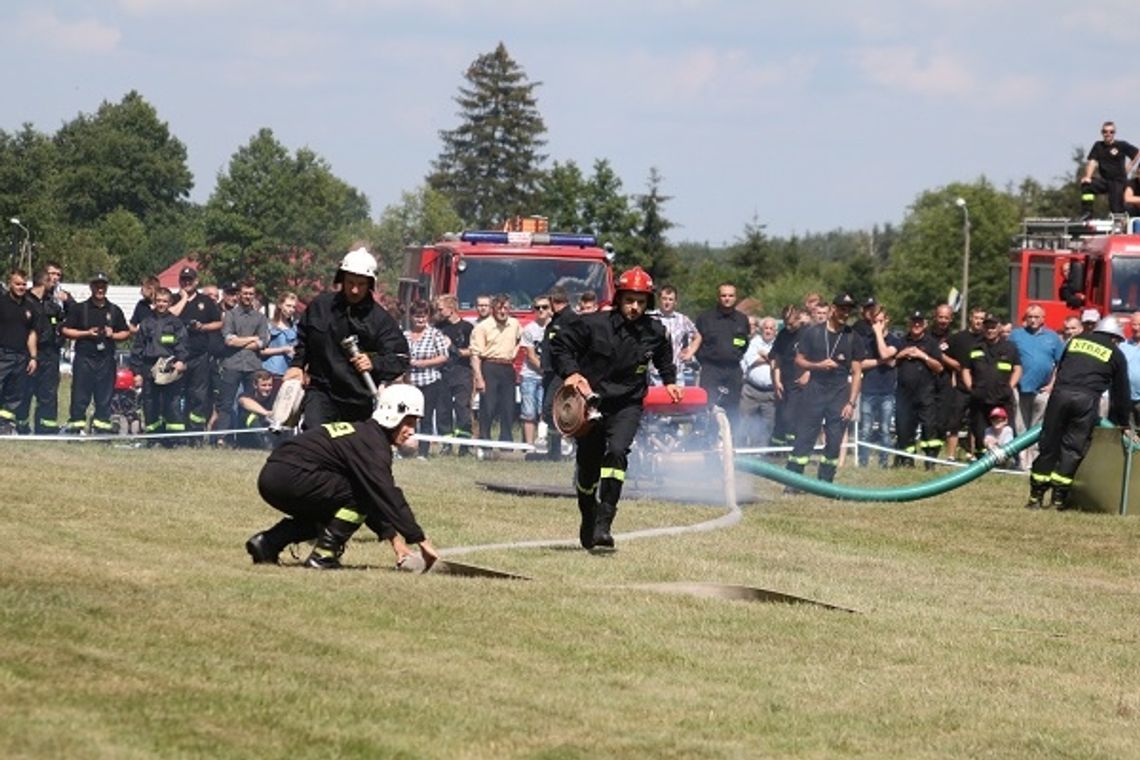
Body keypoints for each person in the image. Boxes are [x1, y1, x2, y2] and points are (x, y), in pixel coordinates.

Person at [551, 266, 681, 550]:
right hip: (592, 405)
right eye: (629, 300)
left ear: (649, 303)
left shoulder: (655, 331)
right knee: (588, 470)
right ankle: (588, 512)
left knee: (618, 453)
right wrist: (571, 372)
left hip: (628, 404)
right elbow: (560, 345)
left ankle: (604, 522)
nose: (634, 307)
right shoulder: (592, 324)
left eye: (641, 302)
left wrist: (670, 381)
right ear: (619, 298)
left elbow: (663, 358)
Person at [244, 383, 439, 569]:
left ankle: (268, 543)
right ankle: (324, 555)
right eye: (409, 422)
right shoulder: (373, 444)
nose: (411, 431)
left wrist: (395, 540)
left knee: (331, 512)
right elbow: (387, 495)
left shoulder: (363, 433)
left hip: (273, 476)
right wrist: (420, 539)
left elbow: (375, 497)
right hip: (292, 476)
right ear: (392, 416)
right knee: (361, 496)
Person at [285, 247, 410, 428]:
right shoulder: (320, 307)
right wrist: (297, 365)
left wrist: (374, 362)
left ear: (370, 284)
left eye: (361, 284)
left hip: (357, 398)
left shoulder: (380, 319)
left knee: (352, 450)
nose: (354, 289)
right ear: (341, 279)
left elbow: (400, 358)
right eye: (350, 282)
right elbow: (304, 340)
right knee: (314, 438)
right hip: (321, 391)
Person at [1027, 317, 1131, 510]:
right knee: (1072, 449)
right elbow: (1121, 392)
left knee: (1049, 444)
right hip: (1086, 400)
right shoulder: (1116, 354)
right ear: (1115, 337)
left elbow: (1061, 367)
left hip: (1060, 395)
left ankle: (1036, 497)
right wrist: (1124, 423)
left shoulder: (1075, 341)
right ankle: (1058, 499)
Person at [785, 293, 866, 484]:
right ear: (832, 309)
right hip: (815, 389)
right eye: (841, 308)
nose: (845, 313)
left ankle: (825, 483)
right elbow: (799, 360)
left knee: (834, 441)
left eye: (848, 310)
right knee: (805, 437)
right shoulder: (813, 332)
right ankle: (793, 482)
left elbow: (856, 373)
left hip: (839, 392)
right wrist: (818, 366)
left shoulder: (853, 337)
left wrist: (851, 403)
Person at [61, 272, 130, 434]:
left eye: (103, 286)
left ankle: (101, 429)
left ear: (106, 287)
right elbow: (65, 329)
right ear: (91, 287)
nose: (100, 289)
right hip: (85, 359)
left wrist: (112, 334)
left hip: (106, 360)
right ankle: (76, 428)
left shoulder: (114, 310)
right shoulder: (80, 308)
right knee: (80, 397)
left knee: (104, 398)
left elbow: (126, 333)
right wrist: (86, 333)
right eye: (97, 285)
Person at [169, 266, 223, 437]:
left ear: (196, 281)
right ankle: (177, 433)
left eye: (190, 280)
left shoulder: (205, 301)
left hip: (199, 355)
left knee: (198, 395)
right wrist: (183, 299)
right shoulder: (173, 299)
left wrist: (203, 326)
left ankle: (195, 433)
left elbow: (219, 323)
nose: (186, 283)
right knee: (175, 395)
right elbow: (168, 316)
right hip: (177, 356)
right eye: (183, 280)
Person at [214, 280, 270, 444]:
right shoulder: (230, 315)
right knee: (226, 403)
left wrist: (243, 340)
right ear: (239, 295)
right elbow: (229, 341)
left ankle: (249, 439)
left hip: (253, 366)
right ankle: (222, 438)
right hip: (232, 365)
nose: (248, 296)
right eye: (245, 293)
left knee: (251, 403)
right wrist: (252, 338)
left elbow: (263, 342)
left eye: (251, 294)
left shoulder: (260, 317)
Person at [129, 287, 188, 438]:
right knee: (150, 403)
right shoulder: (146, 323)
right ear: (154, 302)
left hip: (170, 367)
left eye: (165, 301)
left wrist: (181, 361)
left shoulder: (176, 323)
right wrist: (136, 373)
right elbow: (137, 348)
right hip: (149, 367)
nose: (161, 304)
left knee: (172, 403)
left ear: (170, 303)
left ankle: (173, 439)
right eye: (158, 301)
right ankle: (153, 437)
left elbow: (183, 345)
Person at [1008, 304, 1064, 463]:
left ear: (1043, 319)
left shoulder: (1053, 337)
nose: (1033, 320)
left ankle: (1033, 461)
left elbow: (1060, 364)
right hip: (1020, 389)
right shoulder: (1015, 335)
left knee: (1037, 427)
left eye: (1036, 317)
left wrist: (1052, 385)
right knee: (1020, 426)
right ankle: (1021, 460)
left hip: (1042, 390)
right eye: (1030, 317)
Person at [961, 314, 1022, 459]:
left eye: (993, 327)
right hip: (980, 397)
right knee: (980, 430)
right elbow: (965, 370)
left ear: (999, 328)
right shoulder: (974, 346)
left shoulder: (1009, 347)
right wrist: (971, 388)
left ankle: (1007, 460)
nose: (990, 330)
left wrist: (1010, 386)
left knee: (1006, 431)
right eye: (987, 326)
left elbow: (1018, 369)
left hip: (1002, 397)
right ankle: (983, 459)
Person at [19, 262, 68, 434]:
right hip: (28, 353)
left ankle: (45, 428)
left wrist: (67, 301)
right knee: (24, 390)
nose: (55, 280)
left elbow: (72, 317)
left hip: (50, 353)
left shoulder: (53, 303)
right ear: (44, 277)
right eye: (52, 275)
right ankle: (21, 426)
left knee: (48, 393)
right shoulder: (25, 300)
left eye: (58, 276)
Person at [893, 311, 944, 469]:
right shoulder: (901, 341)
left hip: (925, 393)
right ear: (909, 324)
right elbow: (890, 363)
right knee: (904, 428)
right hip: (904, 394)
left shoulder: (931, 343)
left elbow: (939, 367)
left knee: (929, 427)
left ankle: (930, 461)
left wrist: (923, 356)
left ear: (925, 325)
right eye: (914, 322)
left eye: (919, 322)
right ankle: (907, 461)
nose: (916, 325)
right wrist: (902, 354)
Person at [694, 282, 750, 424]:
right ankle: (707, 442)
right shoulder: (705, 318)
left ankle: (730, 442)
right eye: (724, 295)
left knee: (732, 410)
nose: (727, 298)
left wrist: (734, 354)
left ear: (735, 298)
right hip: (711, 370)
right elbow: (697, 343)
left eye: (730, 295)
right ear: (718, 297)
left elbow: (743, 343)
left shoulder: (742, 319)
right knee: (707, 409)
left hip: (733, 370)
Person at [471, 294, 521, 443]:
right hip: (490, 366)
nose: (503, 312)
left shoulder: (515, 324)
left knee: (508, 406)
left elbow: (520, 341)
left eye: (506, 308)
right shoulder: (483, 327)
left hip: (507, 367)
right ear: (493, 309)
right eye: (499, 308)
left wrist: (514, 354)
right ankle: (485, 440)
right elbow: (475, 355)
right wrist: (479, 378)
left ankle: (506, 440)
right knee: (488, 405)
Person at [404, 300, 449, 457]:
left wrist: (422, 363)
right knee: (408, 417)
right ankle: (407, 449)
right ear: (411, 317)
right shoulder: (405, 335)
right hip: (410, 382)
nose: (420, 319)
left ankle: (423, 452)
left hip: (430, 380)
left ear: (428, 317)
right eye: (417, 316)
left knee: (426, 417)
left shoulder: (435, 334)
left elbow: (444, 356)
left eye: (423, 316)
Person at [857, 305, 900, 467]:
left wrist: (878, 336)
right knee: (866, 430)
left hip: (887, 392)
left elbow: (885, 352)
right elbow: (860, 364)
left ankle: (884, 462)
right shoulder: (864, 341)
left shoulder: (895, 340)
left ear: (887, 320)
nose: (877, 325)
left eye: (880, 321)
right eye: (874, 322)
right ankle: (863, 463)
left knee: (885, 430)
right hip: (868, 390)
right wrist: (883, 362)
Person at [539, 286, 578, 460]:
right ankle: (553, 450)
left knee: (553, 409)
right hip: (549, 372)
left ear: (555, 302)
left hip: (561, 373)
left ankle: (571, 446)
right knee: (549, 411)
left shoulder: (570, 320)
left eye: (547, 305)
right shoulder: (556, 320)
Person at [944, 306, 987, 459]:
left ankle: (974, 455)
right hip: (961, 388)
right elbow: (940, 352)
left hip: (980, 389)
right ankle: (950, 456)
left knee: (977, 424)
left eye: (982, 319)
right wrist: (953, 364)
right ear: (971, 318)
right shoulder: (958, 338)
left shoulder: (987, 339)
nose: (979, 322)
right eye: (977, 318)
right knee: (954, 422)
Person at [433, 294, 474, 453]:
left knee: (462, 407)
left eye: (441, 309)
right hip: (443, 371)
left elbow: (473, 350)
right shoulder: (438, 327)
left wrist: (453, 349)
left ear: (451, 309)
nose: (438, 311)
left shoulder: (467, 328)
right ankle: (446, 444)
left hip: (462, 371)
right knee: (443, 409)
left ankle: (464, 444)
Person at [0, 270, 37, 434]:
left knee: (14, 394)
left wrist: (33, 357)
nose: (21, 287)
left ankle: (5, 424)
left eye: (24, 284)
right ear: (10, 284)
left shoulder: (29, 307)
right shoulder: (2, 302)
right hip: (2, 353)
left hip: (21, 356)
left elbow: (32, 333)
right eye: (17, 284)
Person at [1080, 121, 1139, 218]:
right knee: (1087, 185)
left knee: (1116, 208)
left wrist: (1130, 166)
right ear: (1101, 132)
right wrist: (1088, 177)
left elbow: (1137, 152)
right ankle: (1087, 213)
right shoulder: (1098, 146)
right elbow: (1092, 162)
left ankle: (1120, 226)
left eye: (1111, 132)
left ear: (1114, 133)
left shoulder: (1121, 145)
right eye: (1105, 131)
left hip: (1118, 181)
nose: (1108, 134)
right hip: (1105, 180)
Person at [770, 304, 810, 447]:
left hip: (799, 382)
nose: (789, 327)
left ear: (799, 319)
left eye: (791, 323)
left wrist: (808, 373)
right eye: (786, 323)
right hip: (784, 380)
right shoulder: (783, 334)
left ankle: (794, 446)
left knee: (791, 416)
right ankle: (777, 449)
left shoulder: (808, 333)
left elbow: (817, 357)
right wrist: (776, 380)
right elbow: (776, 358)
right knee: (780, 416)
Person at [739, 316, 779, 447]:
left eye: (771, 328)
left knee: (767, 425)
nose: (768, 331)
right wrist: (771, 358)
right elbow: (751, 360)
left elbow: (781, 361)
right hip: (751, 390)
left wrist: (763, 354)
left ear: (775, 331)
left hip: (771, 393)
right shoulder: (754, 342)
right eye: (766, 328)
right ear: (761, 330)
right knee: (744, 421)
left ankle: (760, 454)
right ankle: (741, 451)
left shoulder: (780, 344)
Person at [519, 295, 552, 447]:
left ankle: (543, 442)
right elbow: (531, 356)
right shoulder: (529, 329)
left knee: (545, 411)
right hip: (530, 375)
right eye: (537, 308)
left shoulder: (556, 327)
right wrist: (544, 370)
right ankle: (530, 446)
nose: (541, 310)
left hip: (550, 376)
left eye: (544, 307)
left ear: (550, 308)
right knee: (529, 411)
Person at [652, 284, 699, 387]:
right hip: (656, 374)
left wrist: (690, 353)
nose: (667, 302)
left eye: (670, 299)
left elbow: (697, 337)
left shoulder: (683, 320)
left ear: (675, 302)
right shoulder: (651, 318)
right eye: (664, 299)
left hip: (677, 373)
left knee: (677, 402)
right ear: (659, 300)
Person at [236, 369, 279, 449]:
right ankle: (264, 441)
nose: (267, 388)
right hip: (247, 439)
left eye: (270, 385)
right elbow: (244, 401)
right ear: (255, 385)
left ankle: (271, 443)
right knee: (251, 416)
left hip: (270, 433)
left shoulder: (275, 397)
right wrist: (266, 413)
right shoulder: (247, 395)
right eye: (264, 385)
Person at [260, 291, 298, 379]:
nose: (291, 309)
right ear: (280, 305)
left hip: (289, 373)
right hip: (271, 372)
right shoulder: (269, 326)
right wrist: (283, 350)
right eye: (288, 306)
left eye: (293, 307)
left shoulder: (295, 327)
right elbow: (261, 351)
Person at [1120, 312, 1140, 425]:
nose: (1136, 328)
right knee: (1128, 433)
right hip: (1126, 398)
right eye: (1134, 324)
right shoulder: (1122, 346)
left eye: (1139, 325)